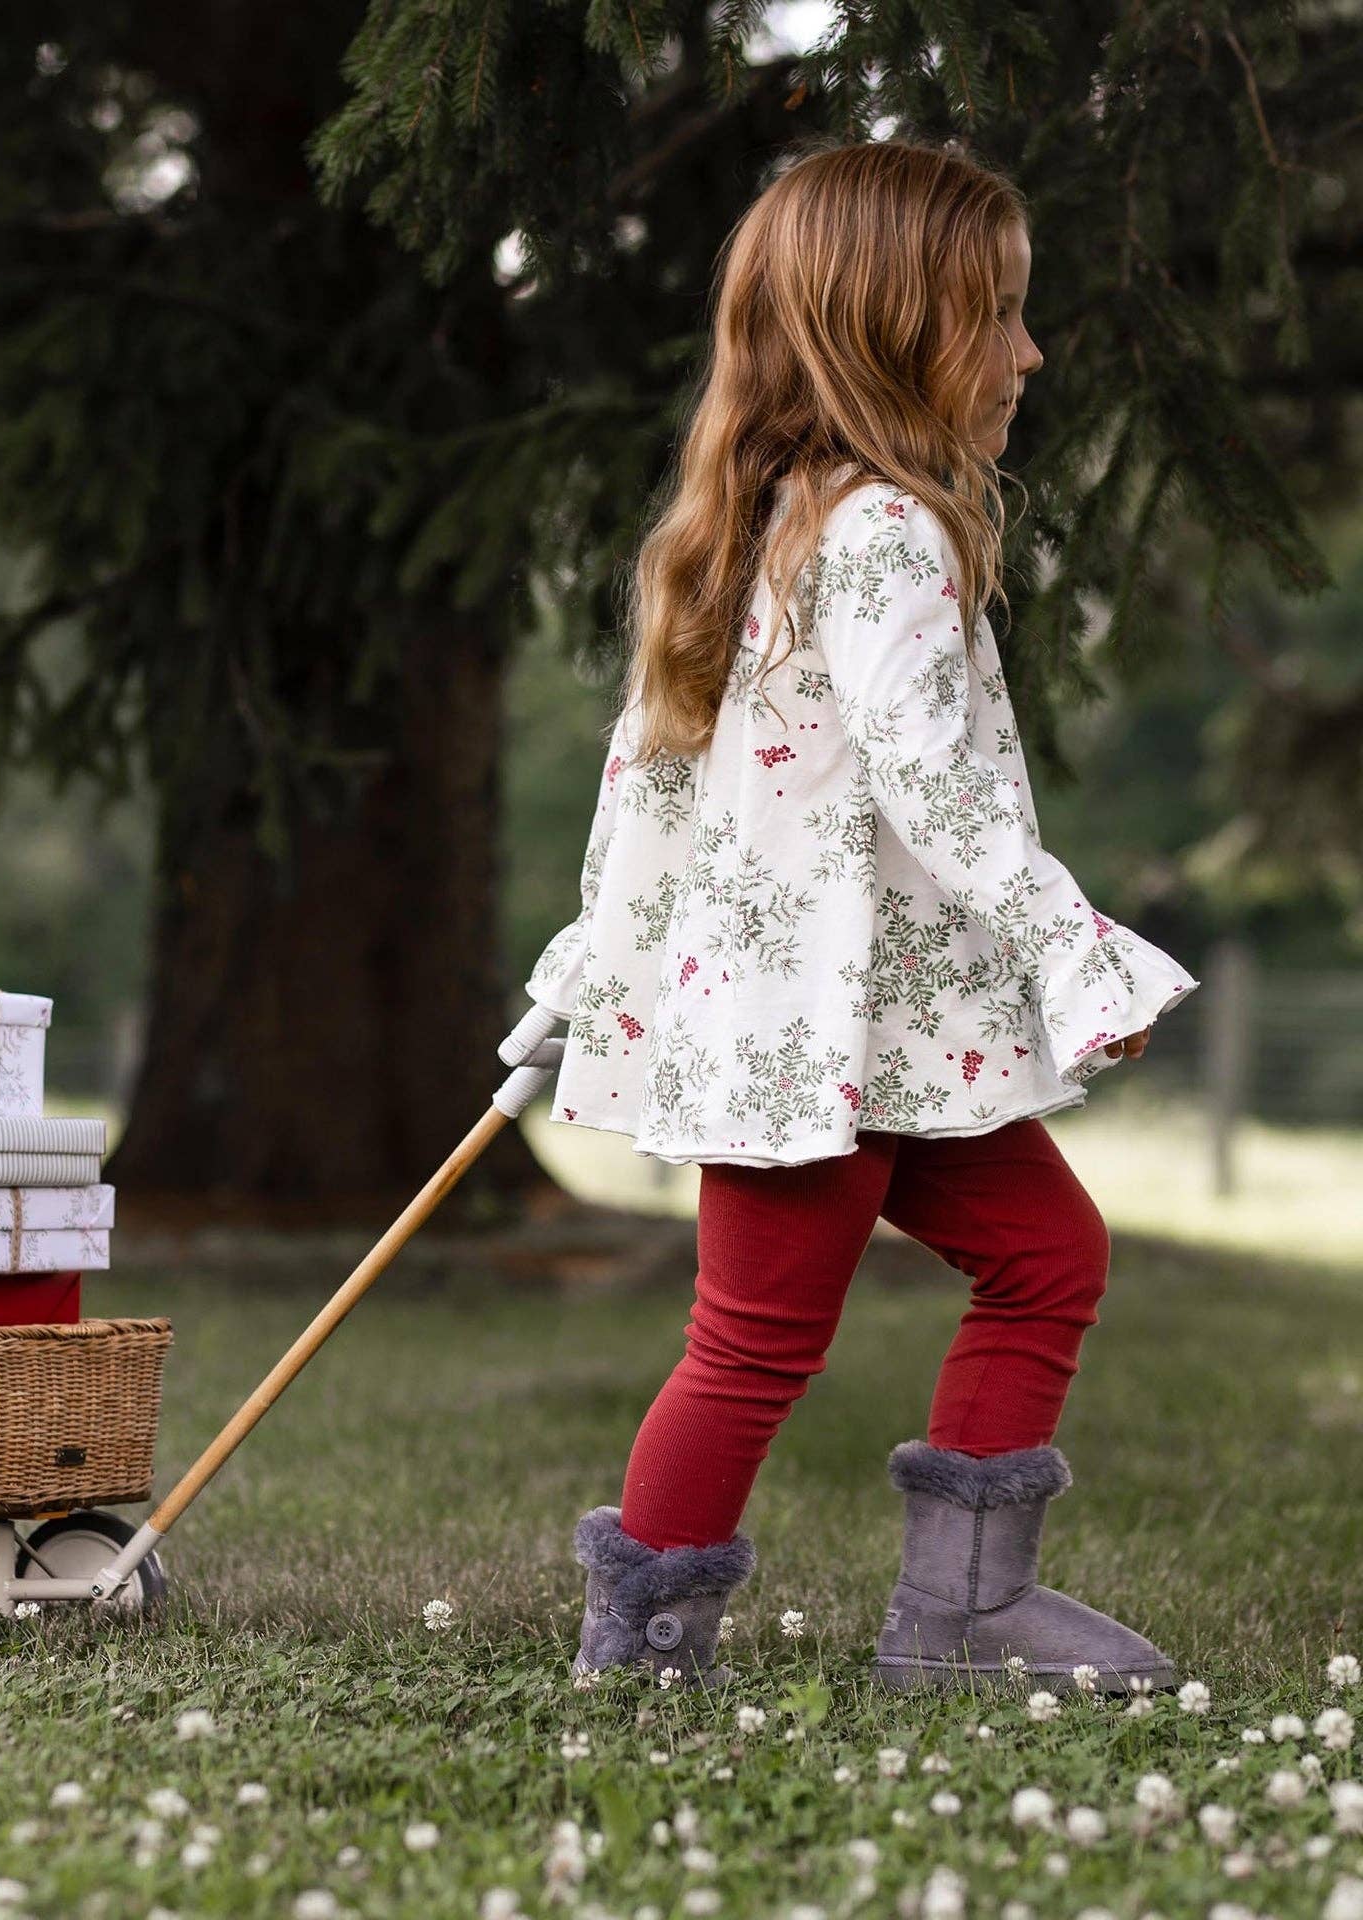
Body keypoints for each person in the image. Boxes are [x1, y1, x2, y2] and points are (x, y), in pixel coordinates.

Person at [511, 136, 1202, 1696]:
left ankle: (961, 1616)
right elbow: (930, 781)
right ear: (893, 327)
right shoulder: (881, 528)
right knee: (754, 1342)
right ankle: (640, 1651)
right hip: (809, 1044)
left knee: (1045, 1252)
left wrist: (589, 956)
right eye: (1001, 315)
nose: (1031, 351)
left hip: (877, 1030)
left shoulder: (761, 521)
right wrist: (1071, 943)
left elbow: (647, 783)